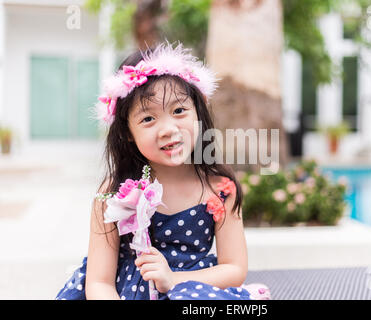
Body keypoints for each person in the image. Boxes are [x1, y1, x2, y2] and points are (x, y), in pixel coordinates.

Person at [55, 42, 270, 300]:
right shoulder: (113, 192)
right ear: (127, 133)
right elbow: (99, 282)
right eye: (148, 119)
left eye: (179, 111)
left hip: (191, 290)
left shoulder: (220, 189)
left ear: (198, 113)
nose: (168, 129)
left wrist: (173, 279)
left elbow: (234, 268)